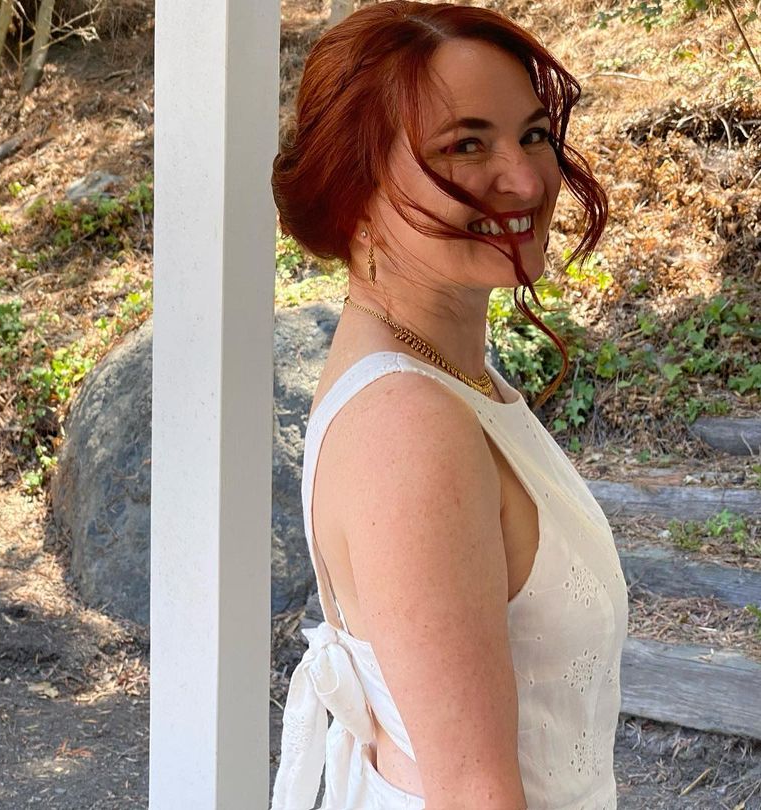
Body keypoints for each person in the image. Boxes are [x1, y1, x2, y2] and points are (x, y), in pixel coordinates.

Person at [269, 3, 629, 809]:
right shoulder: (410, 424)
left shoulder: (444, 377)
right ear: (353, 185)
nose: (527, 180)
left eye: (533, 134)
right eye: (466, 146)